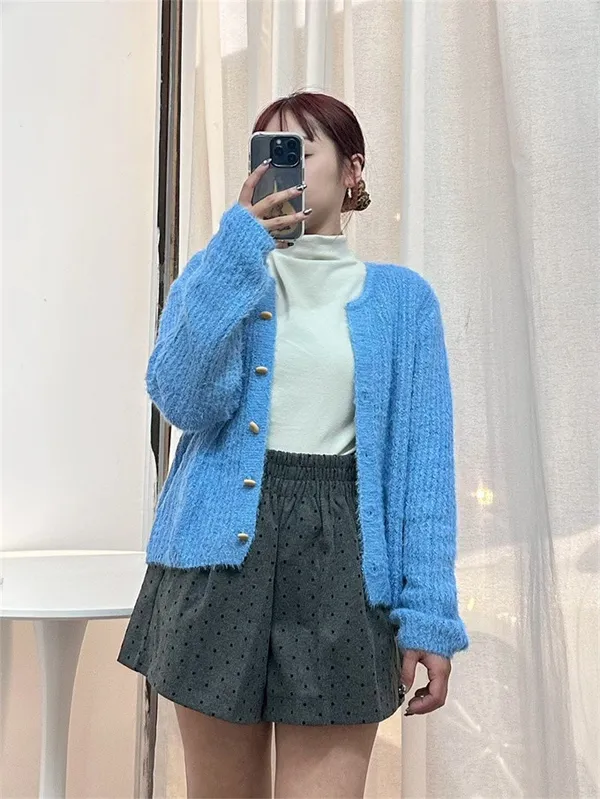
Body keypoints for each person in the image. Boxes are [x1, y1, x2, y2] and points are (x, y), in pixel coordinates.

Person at [117, 90, 469, 799]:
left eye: (301, 152)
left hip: (344, 567)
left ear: (352, 170)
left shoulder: (403, 301)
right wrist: (235, 253)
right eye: (268, 154)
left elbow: (422, 473)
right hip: (219, 562)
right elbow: (182, 399)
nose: (282, 170)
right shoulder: (224, 274)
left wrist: (429, 614)